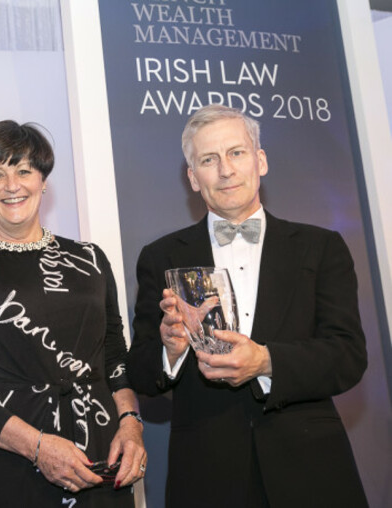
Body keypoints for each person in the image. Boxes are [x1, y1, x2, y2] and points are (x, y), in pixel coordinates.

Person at [127, 104, 368, 508]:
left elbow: (347, 355)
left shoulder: (321, 247)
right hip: (207, 476)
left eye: (236, 153)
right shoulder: (161, 256)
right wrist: (170, 350)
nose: (225, 170)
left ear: (261, 161)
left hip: (313, 471)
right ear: (192, 177)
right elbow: (140, 370)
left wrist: (265, 361)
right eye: (208, 159)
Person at [0, 120, 146, 507]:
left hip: (99, 460)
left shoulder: (90, 260)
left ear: (44, 180)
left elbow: (114, 357)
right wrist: (37, 447)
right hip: (5, 466)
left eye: (24, 170)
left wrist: (131, 424)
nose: (12, 185)